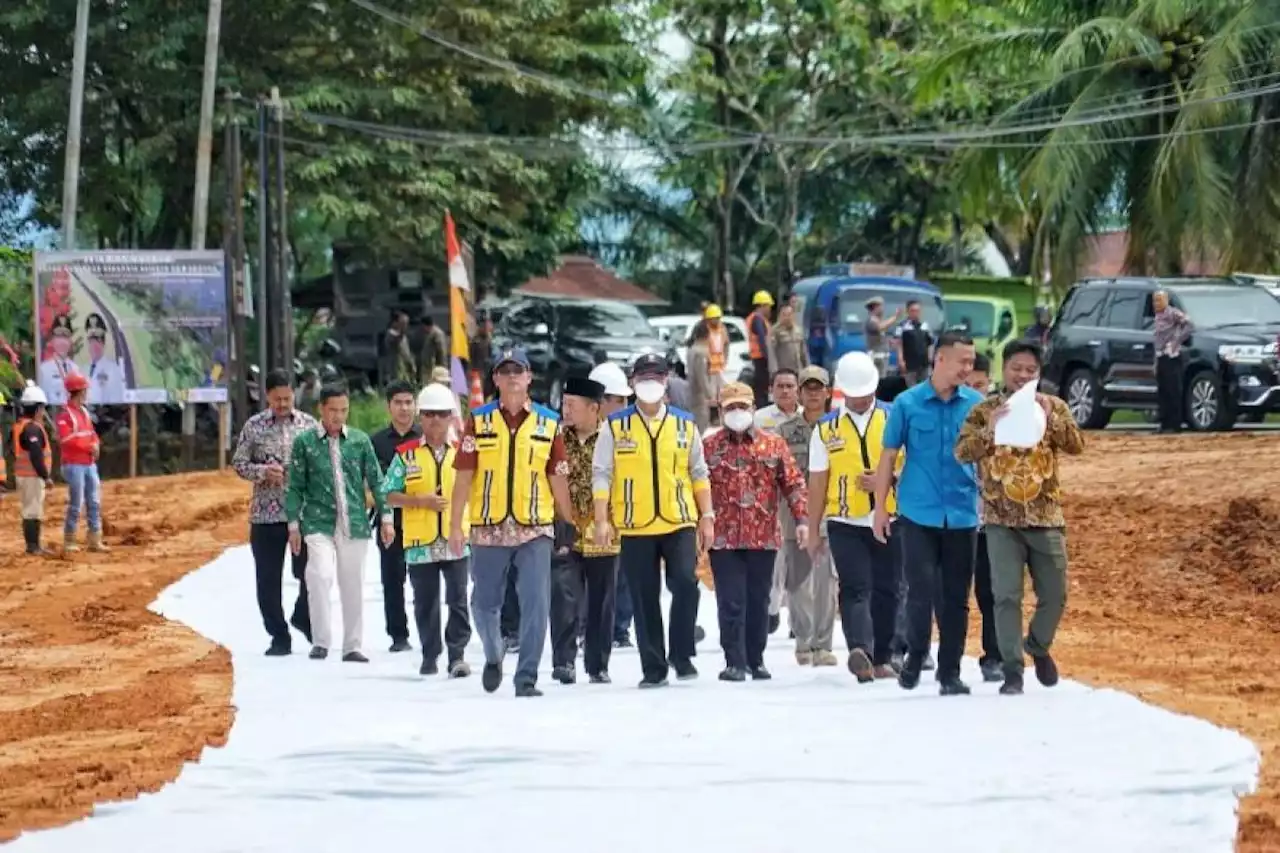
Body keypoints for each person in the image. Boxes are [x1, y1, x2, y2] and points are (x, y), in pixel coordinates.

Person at [956, 339, 1085, 695]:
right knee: (1006, 596)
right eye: (1017, 368)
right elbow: (962, 452)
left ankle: (1038, 647)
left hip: (1046, 516)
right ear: (1004, 369)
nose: (1023, 375)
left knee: (1055, 594)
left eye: (1031, 370)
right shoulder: (986, 410)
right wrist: (990, 429)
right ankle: (1012, 669)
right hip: (1001, 520)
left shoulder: (1052, 405)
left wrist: (1052, 415)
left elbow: (1077, 445)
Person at [449, 347, 574, 698]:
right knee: (484, 604)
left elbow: (558, 475)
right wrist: (455, 524)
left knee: (536, 602)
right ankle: (493, 652)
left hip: (535, 526)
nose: (512, 377)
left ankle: (527, 678)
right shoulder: (480, 419)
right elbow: (463, 475)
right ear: (496, 379)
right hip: (489, 525)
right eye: (505, 372)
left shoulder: (549, 423)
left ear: (529, 377)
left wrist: (566, 520)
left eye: (518, 371)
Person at [871, 332, 983, 695]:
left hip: (963, 514)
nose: (969, 368)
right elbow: (888, 457)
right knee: (919, 592)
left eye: (972, 362)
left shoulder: (977, 406)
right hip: (918, 514)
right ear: (940, 361)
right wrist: (880, 510)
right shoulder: (907, 403)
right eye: (963, 361)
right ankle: (916, 655)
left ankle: (949, 671)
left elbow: (990, 457)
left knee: (955, 599)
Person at [593, 353, 714, 687]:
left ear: (666, 382)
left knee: (686, 586)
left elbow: (699, 472)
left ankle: (681, 652)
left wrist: (707, 515)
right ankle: (653, 666)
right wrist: (602, 520)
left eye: (655, 377)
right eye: (642, 377)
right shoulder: (616, 426)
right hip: (636, 523)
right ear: (632, 384)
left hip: (679, 520)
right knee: (644, 597)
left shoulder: (684, 423)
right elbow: (602, 473)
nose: (649, 384)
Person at [809, 353, 904, 682]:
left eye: (864, 392)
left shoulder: (895, 418)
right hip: (844, 521)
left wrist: (887, 479)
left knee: (888, 589)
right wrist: (812, 529)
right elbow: (818, 481)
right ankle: (859, 650)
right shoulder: (825, 429)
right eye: (853, 393)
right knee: (855, 587)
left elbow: (912, 465)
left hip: (890, 517)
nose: (860, 399)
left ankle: (883, 658)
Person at [704, 382, 808, 681]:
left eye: (742, 407)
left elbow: (793, 483)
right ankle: (734, 661)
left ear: (753, 408)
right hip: (723, 538)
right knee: (730, 600)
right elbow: (696, 487)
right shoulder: (709, 447)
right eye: (730, 407)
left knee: (759, 599)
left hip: (762, 536)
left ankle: (756, 659)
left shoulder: (773, 445)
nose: (737, 412)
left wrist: (802, 520)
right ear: (721, 411)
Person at [286, 385, 389, 663]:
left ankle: (352, 645)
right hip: (317, 522)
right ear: (321, 409)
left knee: (352, 582)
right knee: (318, 574)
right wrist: (293, 525)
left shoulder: (359, 441)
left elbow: (377, 481)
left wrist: (386, 517)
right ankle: (320, 640)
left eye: (344, 410)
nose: (338, 416)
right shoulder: (305, 443)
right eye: (333, 410)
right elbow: (295, 486)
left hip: (354, 521)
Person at [380, 384, 473, 678]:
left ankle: (457, 655)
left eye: (441, 415)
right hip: (420, 540)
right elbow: (387, 493)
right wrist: (419, 501)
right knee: (425, 602)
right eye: (430, 414)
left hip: (455, 537)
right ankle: (430, 654)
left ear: (450, 418)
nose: (435, 420)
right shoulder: (406, 455)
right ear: (421, 418)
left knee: (458, 599)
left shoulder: (462, 454)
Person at [232, 369, 317, 655]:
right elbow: (239, 464)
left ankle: (302, 615)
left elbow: (321, 465)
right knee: (268, 579)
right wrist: (262, 472)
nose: (283, 404)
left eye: (287, 398)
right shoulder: (254, 426)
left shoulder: (308, 425)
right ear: (267, 396)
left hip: (301, 515)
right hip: (265, 516)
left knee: (311, 572)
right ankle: (278, 635)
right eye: (277, 399)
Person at [551, 376, 620, 685]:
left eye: (572, 405)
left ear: (594, 408)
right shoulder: (556, 439)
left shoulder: (614, 438)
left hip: (605, 532)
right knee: (563, 596)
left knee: (601, 601)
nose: (565, 410)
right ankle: (564, 661)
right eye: (564, 404)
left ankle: (597, 663)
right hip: (565, 530)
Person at [771, 365, 838, 666]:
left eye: (818, 387)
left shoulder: (839, 428)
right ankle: (803, 639)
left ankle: (823, 644)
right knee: (798, 581)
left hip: (832, 509)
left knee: (826, 579)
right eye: (807, 387)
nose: (813, 392)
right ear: (799, 392)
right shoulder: (784, 433)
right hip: (794, 514)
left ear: (827, 392)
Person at [369, 379, 422, 653]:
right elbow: (373, 483)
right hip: (390, 522)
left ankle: (429, 632)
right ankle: (398, 636)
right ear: (389, 406)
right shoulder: (376, 442)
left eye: (408, 402)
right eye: (398, 403)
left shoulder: (426, 437)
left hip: (423, 521)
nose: (404, 408)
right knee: (392, 579)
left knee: (424, 581)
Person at [589, 361, 637, 647]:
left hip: (627, 514)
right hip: (591, 520)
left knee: (627, 576)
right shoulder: (576, 433)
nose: (622, 405)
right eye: (616, 400)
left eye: (624, 400)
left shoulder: (630, 430)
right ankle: (589, 627)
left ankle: (621, 629)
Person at [753, 368, 801, 634]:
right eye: (780, 386)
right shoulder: (760, 418)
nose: (785, 391)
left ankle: (797, 620)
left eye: (790, 386)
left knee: (800, 561)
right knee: (774, 559)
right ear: (771, 390)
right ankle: (770, 611)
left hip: (800, 496)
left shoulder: (807, 418)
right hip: (770, 497)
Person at [964, 352, 1001, 682]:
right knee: (947, 591)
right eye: (968, 384)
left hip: (991, 519)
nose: (974, 390)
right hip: (957, 516)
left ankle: (994, 655)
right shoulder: (957, 417)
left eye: (980, 384)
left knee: (991, 590)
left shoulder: (1003, 419)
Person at [56, 372, 107, 553]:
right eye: (85, 389)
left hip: (88, 462)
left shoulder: (83, 412)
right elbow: (67, 439)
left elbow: (91, 433)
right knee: (76, 502)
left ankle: (95, 538)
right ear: (79, 391)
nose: (87, 392)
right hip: (73, 464)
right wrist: (89, 446)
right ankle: (69, 540)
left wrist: (96, 445)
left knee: (94, 501)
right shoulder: (65, 415)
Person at [13, 382, 54, 556]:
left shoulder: (21, 425)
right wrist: (45, 476)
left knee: (31, 509)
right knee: (32, 511)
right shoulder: (32, 429)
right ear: (38, 409)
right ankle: (33, 546)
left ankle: (34, 545)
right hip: (31, 476)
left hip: (24, 475)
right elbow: (36, 455)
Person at [1152, 290, 1193, 433]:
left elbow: (1189, 325)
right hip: (1161, 356)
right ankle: (1164, 423)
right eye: (1154, 300)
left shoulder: (1173, 313)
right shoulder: (1157, 317)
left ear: (1166, 300)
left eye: (1159, 300)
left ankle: (1175, 424)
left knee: (1173, 391)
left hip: (1172, 357)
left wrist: (1177, 341)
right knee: (1162, 391)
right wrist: (1156, 363)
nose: (1156, 303)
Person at [81, 313, 126, 405]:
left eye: (98, 341)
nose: (94, 346)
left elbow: (117, 399)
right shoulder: (82, 370)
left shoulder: (113, 369)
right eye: (91, 342)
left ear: (103, 344)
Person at [38, 314, 81, 406]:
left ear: (70, 341)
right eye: (58, 337)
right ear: (52, 340)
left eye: (65, 337)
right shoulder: (44, 370)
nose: (62, 341)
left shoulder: (76, 370)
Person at [891, 300, 934, 386]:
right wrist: (901, 360)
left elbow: (930, 343)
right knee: (911, 387)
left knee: (925, 386)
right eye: (913, 311)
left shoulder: (925, 326)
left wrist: (930, 357)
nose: (915, 313)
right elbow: (898, 344)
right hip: (909, 363)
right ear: (908, 312)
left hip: (924, 363)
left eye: (917, 311)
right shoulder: (902, 326)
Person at [702, 304, 732, 418]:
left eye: (718, 318)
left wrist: (725, 359)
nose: (717, 320)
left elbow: (726, 345)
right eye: (714, 318)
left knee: (722, 395)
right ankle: (712, 417)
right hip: (708, 369)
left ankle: (721, 416)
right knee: (711, 396)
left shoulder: (722, 329)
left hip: (719, 368)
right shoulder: (704, 330)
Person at [684, 323, 714, 430]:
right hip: (699, 395)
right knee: (701, 424)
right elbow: (702, 376)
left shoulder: (691, 350)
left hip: (690, 391)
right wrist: (709, 394)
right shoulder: (701, 352)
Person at [747, 291, 775, 407]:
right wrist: (769, 358)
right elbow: (762, 340)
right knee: (762, 388)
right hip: (761, 358)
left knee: (761, 388)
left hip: (758, 357)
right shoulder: (758, 319)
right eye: (768, 306)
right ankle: (761, 409)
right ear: (762, 305)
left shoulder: (757, 318)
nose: (769, 309)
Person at [863, 297, 903, 376]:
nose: (882, 309)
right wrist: (895, 317)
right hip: (876, 357)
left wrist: (890, 341)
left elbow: (880, 336)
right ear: (875, 307)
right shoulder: (871, 321)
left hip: (882, 357)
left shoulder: (878, 320)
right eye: (880, 307)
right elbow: (881, 327)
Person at [769, 300, 809, 374]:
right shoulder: (775, 331)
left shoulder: (798, 330)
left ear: (793, 315)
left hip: (798, 370)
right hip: (784, 372)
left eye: (789, 314)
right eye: (784, 314)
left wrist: (807, 368)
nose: (787, 317)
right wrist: (774, 373)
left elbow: (804, 352)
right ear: (780, 316)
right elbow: (771, 355)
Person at [380, 310, 416, 386]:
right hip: (396, 366)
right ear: (395, 322)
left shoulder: (403, 335)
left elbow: (406, 351)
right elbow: (396, 340)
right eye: (401, 322)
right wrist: (402, 328)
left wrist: (411, 363)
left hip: (405, 365)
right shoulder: (390, 333)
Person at [416, 315, 448, 386]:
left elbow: (441, 351)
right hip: (429, 367)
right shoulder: (430, 333)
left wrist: (441, 367)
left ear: (424, 325)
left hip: (434, 368)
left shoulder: (437, 333)